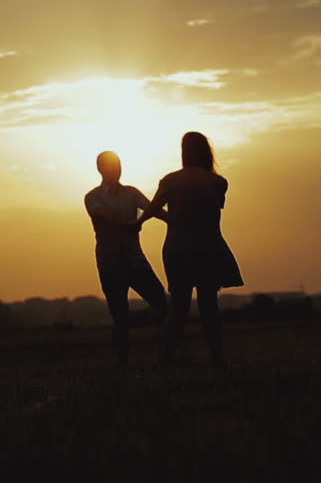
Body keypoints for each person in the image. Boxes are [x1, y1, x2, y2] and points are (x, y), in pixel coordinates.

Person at [137, 132, 243, 367]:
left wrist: (136, 224)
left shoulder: (170, 181)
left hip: (177, 248)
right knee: (209, 308)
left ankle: (166, 361)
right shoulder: (218, 182)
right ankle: (217, 362)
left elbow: (152, 209)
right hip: (208, 247)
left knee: (178, 309)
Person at [84, 150, 169, 367]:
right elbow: (104, 217)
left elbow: (154, 210)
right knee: (120, 317)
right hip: (110, 263)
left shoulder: (132, 193)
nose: (117, 170)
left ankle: (166, 355)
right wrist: (131, 225)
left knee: (163, 305)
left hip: (135, 260)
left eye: (119, 165)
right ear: (100, 169)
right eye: (113, 166)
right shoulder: (92, 197)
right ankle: (123, 364)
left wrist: (175, 218)